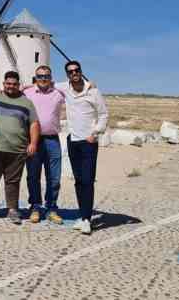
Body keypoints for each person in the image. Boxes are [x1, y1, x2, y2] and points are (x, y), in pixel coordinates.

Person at [0, 71, 40, 224]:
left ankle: (12, 209)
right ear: (3, 84)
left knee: (13, 181)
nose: (11, 86)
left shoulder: (26, 102)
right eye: (8, 84)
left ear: (18, 85)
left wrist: (33, 143)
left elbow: (34, 123)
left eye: (14, 84)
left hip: (18, 149)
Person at [57, 60, 108, 235]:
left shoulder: (93, 91)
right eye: (70, 72)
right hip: (73, 141)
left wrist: (95, 133)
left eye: (76, 70)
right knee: (78, 180)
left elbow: (103, 114)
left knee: (87, 180)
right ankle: (83, 215)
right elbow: (44, 84)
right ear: (67, 75)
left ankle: (87, 219)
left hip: (88, 142)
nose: (74, 73)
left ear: (81, 71)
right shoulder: (65, 88)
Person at [23, 65, 66, 224]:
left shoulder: (59, 93)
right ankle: (35, 207)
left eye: (46, 76)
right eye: (40, 76)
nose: (43, 79)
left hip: (52, 140)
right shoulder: (27, 92)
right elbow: (11, 93)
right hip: (33, 140)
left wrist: (90, 85)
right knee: (33, 176)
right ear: (36, 77)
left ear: (51, 77)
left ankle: (51, 208)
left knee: (54, 178)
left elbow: (74, 89)